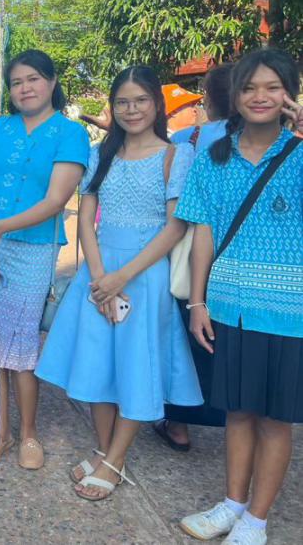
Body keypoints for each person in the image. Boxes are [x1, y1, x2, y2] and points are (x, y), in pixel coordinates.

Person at [35, 66, 203, 501]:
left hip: (145, 276)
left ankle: (114, 459)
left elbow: (175, 227)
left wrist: (121, 278)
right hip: (98, 272)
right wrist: (99, 277)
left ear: (156, 105)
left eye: (140, 100)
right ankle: (104, 450)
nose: (131, 110)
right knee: (98, 362)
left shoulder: (176, 155)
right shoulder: (99, 154)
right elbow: (86, 219)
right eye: (123, 102)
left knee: (135, 364)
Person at [176, 48, 303, 545]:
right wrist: (197, 303)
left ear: (289, 94)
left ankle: (257, 520)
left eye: (272, 87)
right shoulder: (213, 158)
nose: (260, 96)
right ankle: (232, 504)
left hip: (290, 311)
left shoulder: (298, 154)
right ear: (234, 95)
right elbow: (202, 235)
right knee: (238, 411)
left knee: (275, 419)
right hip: (229, 306)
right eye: (249, 87)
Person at [0, 49, 90, 467]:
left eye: (33, 79)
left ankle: (30, 434)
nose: (25, 88)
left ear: (52, 82)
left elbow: (56, 200)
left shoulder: (70, 134)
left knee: (21, 345)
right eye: (17, 82)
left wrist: (1, 228)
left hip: (33, 251)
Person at [156, 62, 234, 452]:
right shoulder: (268, 139)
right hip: (240, 255)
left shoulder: (190, 137)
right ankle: (238, 420)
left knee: (184, 336)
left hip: (192, 247)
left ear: (210, 98)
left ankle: (179, 424)